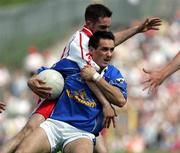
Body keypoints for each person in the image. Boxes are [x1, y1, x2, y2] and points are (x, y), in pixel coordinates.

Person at [0, 4, 161, 153]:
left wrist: (137, 29)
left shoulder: (99, 47)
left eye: (108, 27)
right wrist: (106, 104)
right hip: (60, 96)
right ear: (89, 24)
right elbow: (88, 74)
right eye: (102, 27)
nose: (106, 31)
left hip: (79, 115)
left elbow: (106, 45)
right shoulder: (80, 43)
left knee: (96, 144)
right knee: (28, 131)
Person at [14, 31, 127, 153]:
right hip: (55, 124)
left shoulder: (113, 74)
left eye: (111, 50)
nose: (109, 54)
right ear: (92, 50)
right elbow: (43, 73)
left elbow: (120, 100)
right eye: (104, 49)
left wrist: (95, 77)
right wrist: (31, 81)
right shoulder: (71, 64)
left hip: (82, 133)